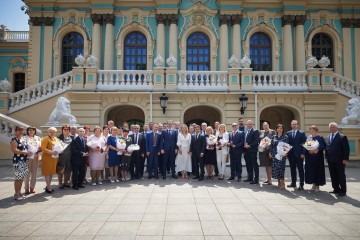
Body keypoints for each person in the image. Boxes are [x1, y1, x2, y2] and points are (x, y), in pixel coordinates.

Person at [325, 122, 350, 197]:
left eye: (333, 127)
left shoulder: (342, 137)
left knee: (341, 175)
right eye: (331, 127)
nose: (332, 128)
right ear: (329, 128)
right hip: (330, 160)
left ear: (336, 128)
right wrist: (326, 157)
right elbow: (327, 149)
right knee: (333, 175)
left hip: (340, 160)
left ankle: (343, 190)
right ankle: (336, 189)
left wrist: (345, 159)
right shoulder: (327, 137)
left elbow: (346, 149)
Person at [10, 126, 31, 200]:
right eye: (19, 130)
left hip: (24, 160)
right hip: (18, 161)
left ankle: (19, 192)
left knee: (22, 177)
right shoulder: (14, 140)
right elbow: (14, 150)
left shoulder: (24, 139)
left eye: (22, 130)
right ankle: (16, 194)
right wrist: (25, 152)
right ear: (16, 131)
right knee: (18, 178)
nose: (21, 131)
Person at [304, 125, 326, 191]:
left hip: (318, 158)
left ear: (316, 131)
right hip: (310, 157)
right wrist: (308, 150)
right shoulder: (309, 138)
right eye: (310, 130)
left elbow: (322, 146)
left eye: (312, 130)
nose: (311, 131)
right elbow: (306, 146)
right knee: (311, 171)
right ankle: (313, 184)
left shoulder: (320, 138)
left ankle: (317, 185)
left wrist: (316, 150)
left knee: (317, 171)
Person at [286, 120, 307, 190]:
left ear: (297, 125)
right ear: (291, 125)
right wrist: (286, 153)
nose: (294, 125)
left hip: (299, 155)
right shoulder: (288, 133)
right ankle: (293, 183)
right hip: (291, 155)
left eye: (295, 124)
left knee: (300, 169)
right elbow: (286, 144)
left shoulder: (302, 133)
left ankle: (301, 184)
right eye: (292, 124)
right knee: (292, 169)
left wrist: (303, 153)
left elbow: (304, 144)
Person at [41, 127, 60, 193]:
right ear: (48, 132)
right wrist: (51, 152)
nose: (52, 133)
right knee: (47, 173)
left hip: (54, 158)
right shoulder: (45, 139)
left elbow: (59, 147)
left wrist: (60, 151)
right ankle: (48, 187)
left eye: (54, 132)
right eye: (51, 132)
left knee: (51, 172)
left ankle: (48, 185)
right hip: (47, 158)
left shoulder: (56, 139)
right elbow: (43, 148)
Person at [269, 124, 289, 190]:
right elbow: (271, 145)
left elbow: (287, 146)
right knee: (276, 169)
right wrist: (270, 153)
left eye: (281, 128)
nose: (280, 129)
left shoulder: (285, 137)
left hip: (282, 156)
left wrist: (285, 154)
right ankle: (278, 182)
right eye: (278, 128)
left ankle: (282, 182)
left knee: (281, 169)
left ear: (283, 129)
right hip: (275, 155)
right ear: (276, 129)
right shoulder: (274, 137)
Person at [24, 126, 41, 194]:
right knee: (27, 174)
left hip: (35, 157)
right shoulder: (24, 138)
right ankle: (26, 188)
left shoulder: (37, 138)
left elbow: (40, 147)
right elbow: (22, 147)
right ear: (27, 131)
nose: (31, 131)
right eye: (30, 130)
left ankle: (32, 188)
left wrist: (39, 150)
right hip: (27, 157)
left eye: (33, 130)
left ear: (35, 131)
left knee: (34, 173)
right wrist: (27, 152)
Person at [243, 120, 260, 184]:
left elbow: (256, 141)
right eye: (247, 124)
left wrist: (249, 146)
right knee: (248, 165)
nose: (248, 125)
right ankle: (250, 178)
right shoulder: (246, 131)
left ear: (252, 124)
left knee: (254, 165)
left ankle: (256, 180)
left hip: (252, 151)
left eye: (250, 124)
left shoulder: (255, 131)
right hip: (246, 151)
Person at [57, 125, 73, 189]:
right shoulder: (59, 137)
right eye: (65, 129)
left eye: (67, 129)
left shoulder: (72, 137)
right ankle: (60, 183)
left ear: (69, 130)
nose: (66, 130)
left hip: (69, 156)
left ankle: (66, 182)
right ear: (62, 130)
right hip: (61, 156)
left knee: (68, 170)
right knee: (60, 170)